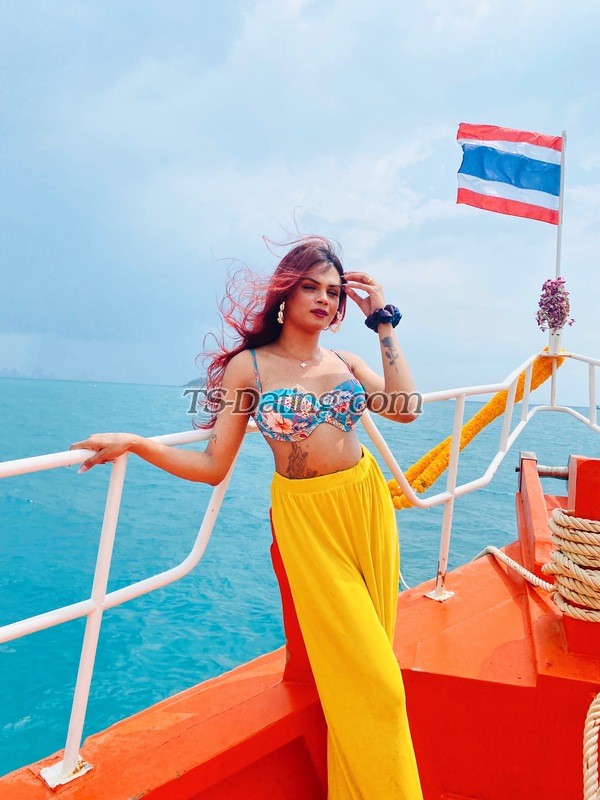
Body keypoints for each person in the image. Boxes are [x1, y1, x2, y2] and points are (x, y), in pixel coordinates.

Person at [70, 236, 424, 800]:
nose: (324, 299)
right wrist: (137, 443)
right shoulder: (250, 369)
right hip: (309, 523)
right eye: (310, 287)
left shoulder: (346, 361)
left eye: (334, 292)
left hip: (366, 505)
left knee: (376, 658)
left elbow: (406, 410)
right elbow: (214, 464)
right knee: (379, 683)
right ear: (286, 293)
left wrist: (383, 321)